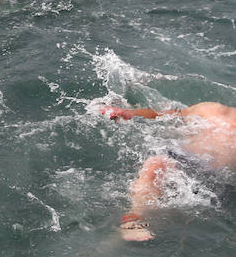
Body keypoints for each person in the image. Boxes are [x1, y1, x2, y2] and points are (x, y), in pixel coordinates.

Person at [100, 100, 236, 242]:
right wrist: (130, 113)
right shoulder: (212, 110)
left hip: (216, 182)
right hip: (182, 160)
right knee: (156, 163)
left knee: (171, 214)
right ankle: (134, 219)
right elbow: (164, 115)